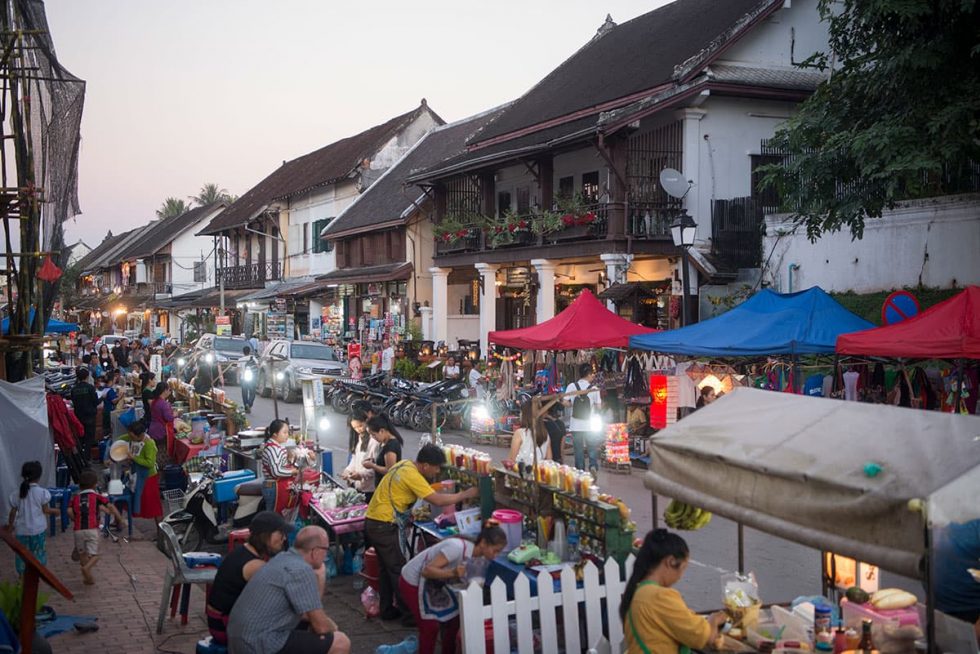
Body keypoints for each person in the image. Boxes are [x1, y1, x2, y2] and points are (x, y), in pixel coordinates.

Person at [365, 444, 479, 621]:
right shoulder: (412, 475)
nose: (436, 472)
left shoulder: (404, 465)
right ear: (425, 465)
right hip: (383, 524)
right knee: (397, 569)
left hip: (375, 520)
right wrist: (464, 495)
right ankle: (411, 614)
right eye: (436, 468)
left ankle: (387, 610)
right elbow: (438, 500)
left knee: (386, 569)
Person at [227, 526, 350, 654]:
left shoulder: (282, 559)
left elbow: (309, 612)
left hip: (240, 639)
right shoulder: (301, 570)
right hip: (258, 644)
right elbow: (321, 626)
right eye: (326, 549)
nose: (326, 555)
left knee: (309, 628)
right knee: (340, 642)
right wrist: (333, 627)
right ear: (315, 551)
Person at [399, 522, 508, 654]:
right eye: (495, 550)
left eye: (499, 552)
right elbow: (427, 571)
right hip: (412, 581)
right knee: (429, 627)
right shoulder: (455, 548)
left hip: (436, 583)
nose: (496, 555)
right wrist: (453, 573)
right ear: (483, 543)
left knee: (454, 619)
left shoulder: (479, 557)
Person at [622, 529, 727, 654]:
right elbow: (702, 637)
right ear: (670, 561)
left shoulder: (638, 591)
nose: (680, 577)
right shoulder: (660, 596)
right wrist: (713, 620)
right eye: (683, 568)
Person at [207, 511, 290, 646]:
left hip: (220, 621)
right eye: (281, 533)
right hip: (224, 627)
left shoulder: (244, 551)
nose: (284, 538)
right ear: (266, 536)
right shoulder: (255, 566)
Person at [68, 469, 125, 585]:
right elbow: (111, 507)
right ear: (94, 485)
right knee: (95, 555)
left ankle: (88, 578)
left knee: (83, 553)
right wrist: (119, 519)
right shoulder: (97, 496)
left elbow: (69, 511)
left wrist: (75, 519)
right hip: (92, 529)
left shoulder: (75, 498)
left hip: (78, 530)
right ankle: (87, 569)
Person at [4, 461, 58, 576]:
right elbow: (46, 510)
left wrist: (10, 526)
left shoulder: (16, 493)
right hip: (37, 530)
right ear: (39, 476)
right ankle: (37, 574)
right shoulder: (42, 493)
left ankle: (22, 575)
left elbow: (13, 512)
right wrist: (56, 511)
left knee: (22, 554)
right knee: (38, 552)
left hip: (21, 530)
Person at [933, 520, 980, 642]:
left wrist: (975, 634)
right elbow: (938, 558)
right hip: (939, 614)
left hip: (972, 619)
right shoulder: (941, 514)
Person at [120, 420, 163, 523]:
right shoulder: (132, 437)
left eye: (132, 436)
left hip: (148, 478)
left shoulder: (149, 444)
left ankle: (160, 533)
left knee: (154, 506)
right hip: (136, 475)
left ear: (140, 435)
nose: (130, 438)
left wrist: (133, 458)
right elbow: (120, 439)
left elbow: (150, 463)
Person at [565, 363, 602, 475]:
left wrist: (573, 405)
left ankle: (580, 472)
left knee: (578, 449)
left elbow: (565, 402)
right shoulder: (594, 389)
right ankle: (593, 466)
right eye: (593, 374)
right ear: (589, 374)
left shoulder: (572, 386)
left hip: (576, 425)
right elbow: (599, 407)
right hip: (590, 425)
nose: (593, 376)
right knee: (591, 447)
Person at [340, 412, 380, 503]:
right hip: (358, 486)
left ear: (366, 421)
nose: (358, 430)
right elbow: (355, 458)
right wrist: (348, 471)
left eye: (360, 426)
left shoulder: (374, 441)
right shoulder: (359, 438)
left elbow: (376, 467)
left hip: (370, 489)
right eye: (355, 428)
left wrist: (360, 474)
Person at [260, 419, 298, 514]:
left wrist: (289, 459)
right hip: (273, 487)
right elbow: (276, 471)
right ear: (275, 434)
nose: (287, 435)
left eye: (287, 432)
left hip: (277, 486)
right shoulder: (273, 449)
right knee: (273, 517)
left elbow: (280, 464)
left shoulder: (277, 446)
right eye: (284, 432)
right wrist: (292, 471)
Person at [361, 414, 404, 486]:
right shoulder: (383, 442)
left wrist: (372, 466)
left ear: (382, 431)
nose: (372, 437)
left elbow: (389, 470)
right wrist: (373, 460)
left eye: (373, 434)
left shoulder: (391, 446)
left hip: (387, 488)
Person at [70, 367, 100, 463]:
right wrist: (103, 398)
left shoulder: (74, 389)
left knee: (80, 438)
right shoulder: (90, 388)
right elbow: (95, 402)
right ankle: (87, 458)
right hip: (90, 416)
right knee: (89, 438)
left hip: (78, 416)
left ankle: (80, 458)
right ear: (87, 377)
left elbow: (73, 402)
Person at [508, 401, 552, 466]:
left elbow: (511, 460)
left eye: (521, 412)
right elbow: (549, 460)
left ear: (525, 414)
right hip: (538, 474)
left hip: (520, 474)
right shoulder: (546, 434)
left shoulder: (520, 433)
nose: (520, 414)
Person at [147, 382, 175, 463]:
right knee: (162, 454)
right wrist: (175, 414)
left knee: (155, 452)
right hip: (161, 431)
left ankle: (156, 469)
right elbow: (168, 418)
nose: (169, 392)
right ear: (165, 390)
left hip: (152, 429)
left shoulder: (155, 401)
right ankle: (161, 472)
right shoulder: (163, 404)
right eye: (168, 390)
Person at [238, 345, 259, 413]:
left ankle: (246, 404)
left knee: (244, 393)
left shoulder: (240, 360)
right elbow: (257, 367)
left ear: (243, 352)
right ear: (249, 351)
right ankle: (249, 404)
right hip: (252, 378)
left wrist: (237, 379)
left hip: (243, 378)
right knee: (252, 392)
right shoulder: (253, 358)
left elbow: (238, 370)